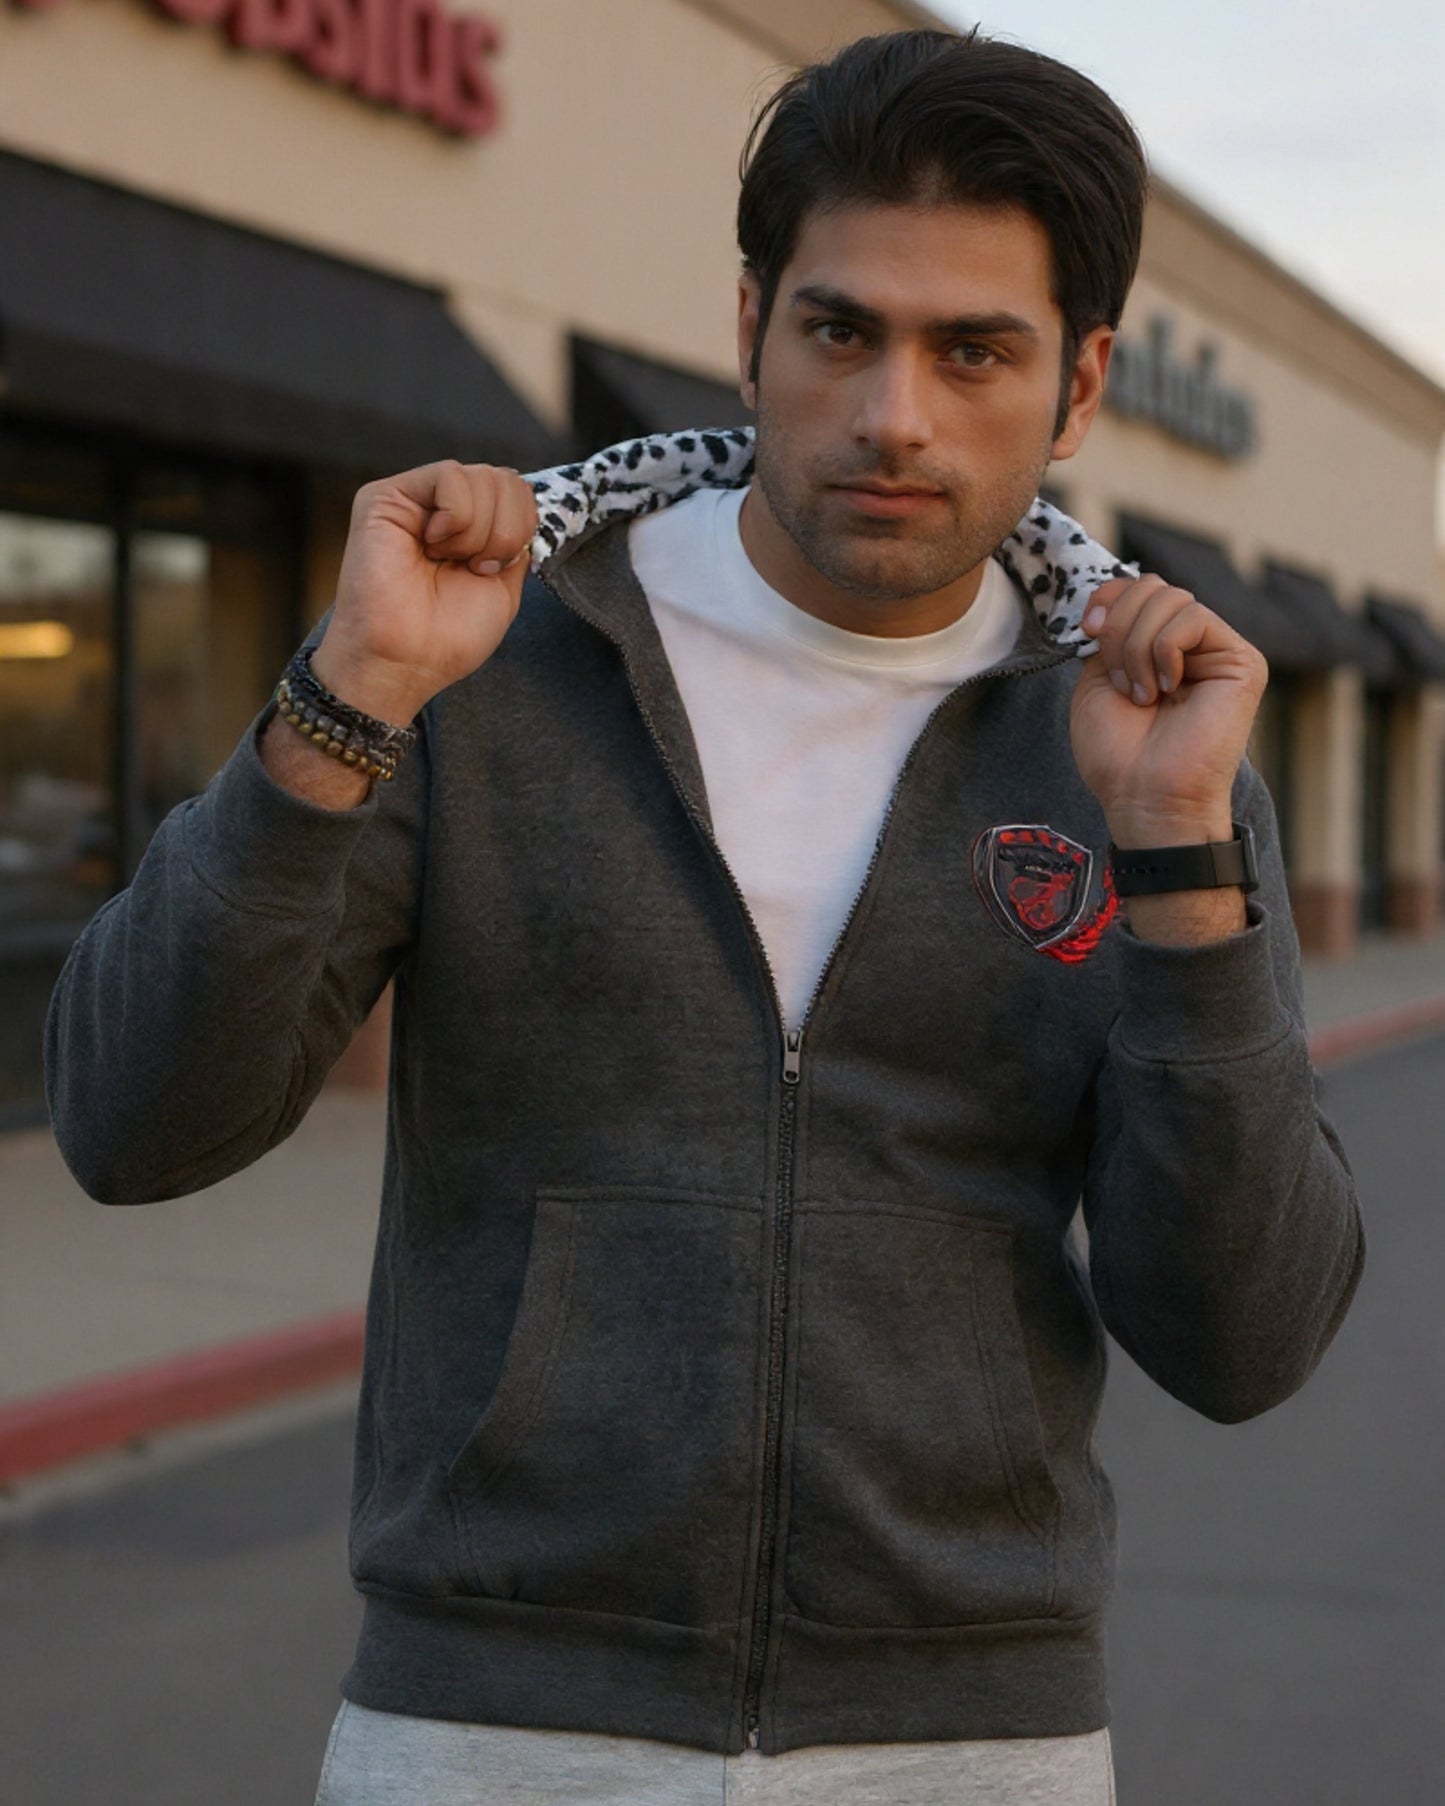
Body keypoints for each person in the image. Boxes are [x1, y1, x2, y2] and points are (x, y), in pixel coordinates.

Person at [45, 27, 1364, 1806]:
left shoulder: (1141, 745)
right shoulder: (485, 667)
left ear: (1078, 385)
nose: (894, 413)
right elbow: (133, 1123)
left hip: (969, 1737)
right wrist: (346, 696)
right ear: (750, 325)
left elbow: (1242, 1337)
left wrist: (1179, 863)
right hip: (491, 1720)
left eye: (972, 349)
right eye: (841, 331)